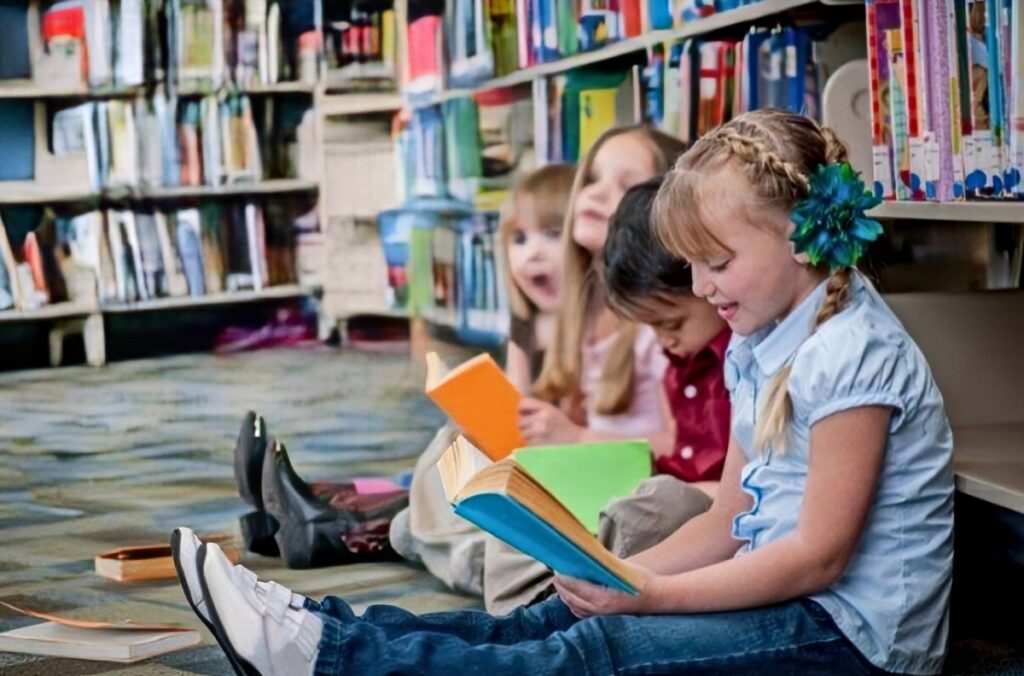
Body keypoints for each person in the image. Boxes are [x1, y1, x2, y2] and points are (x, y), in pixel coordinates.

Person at [175, 108, 954, 674]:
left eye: (716, 262)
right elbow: (731, 515)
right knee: (553, 615)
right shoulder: (758, 339)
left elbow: (818, 559)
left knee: (597, 651)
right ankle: (323, 631)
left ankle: (327, 663)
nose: (702, 287)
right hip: (793, 602)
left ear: (798, 236)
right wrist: (622, 576)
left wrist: (650, 594)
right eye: (692, 266)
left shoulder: (851, 352)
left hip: (854, 639)